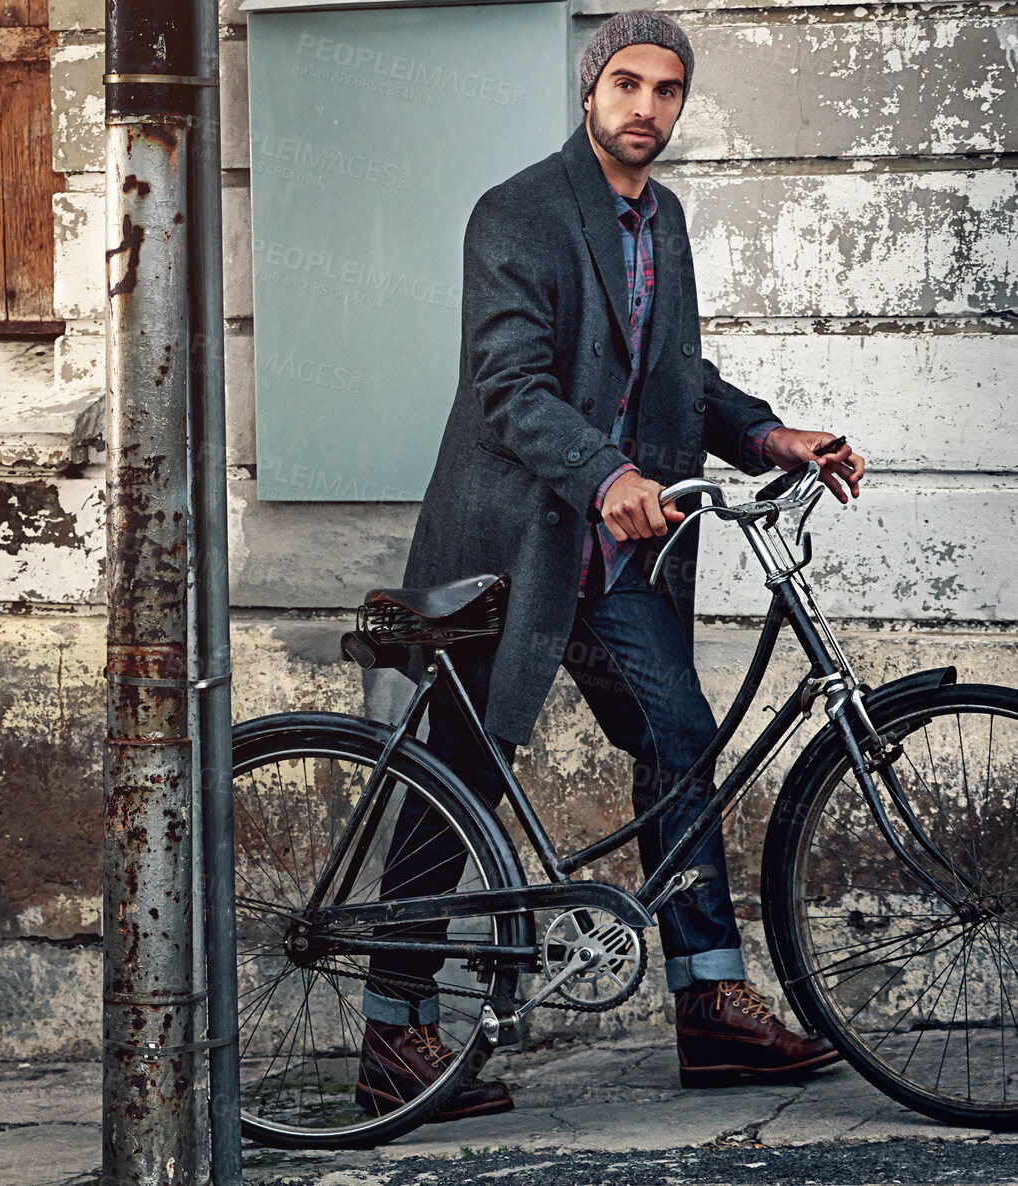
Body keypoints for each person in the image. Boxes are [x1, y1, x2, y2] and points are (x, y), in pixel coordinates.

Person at [353, 10, 867, 1122]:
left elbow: (675, 373)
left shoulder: (663, 219)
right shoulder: (518, 214)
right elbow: (509, 387)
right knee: (462, 778)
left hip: (617, 564)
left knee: (679, 738)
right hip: (514, 552)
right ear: (590, 91)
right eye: (627, 84)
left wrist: (768, 434)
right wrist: (603, 474)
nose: (646, 107)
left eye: (667, 90)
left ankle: (708, 1005)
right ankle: (393, 1035)